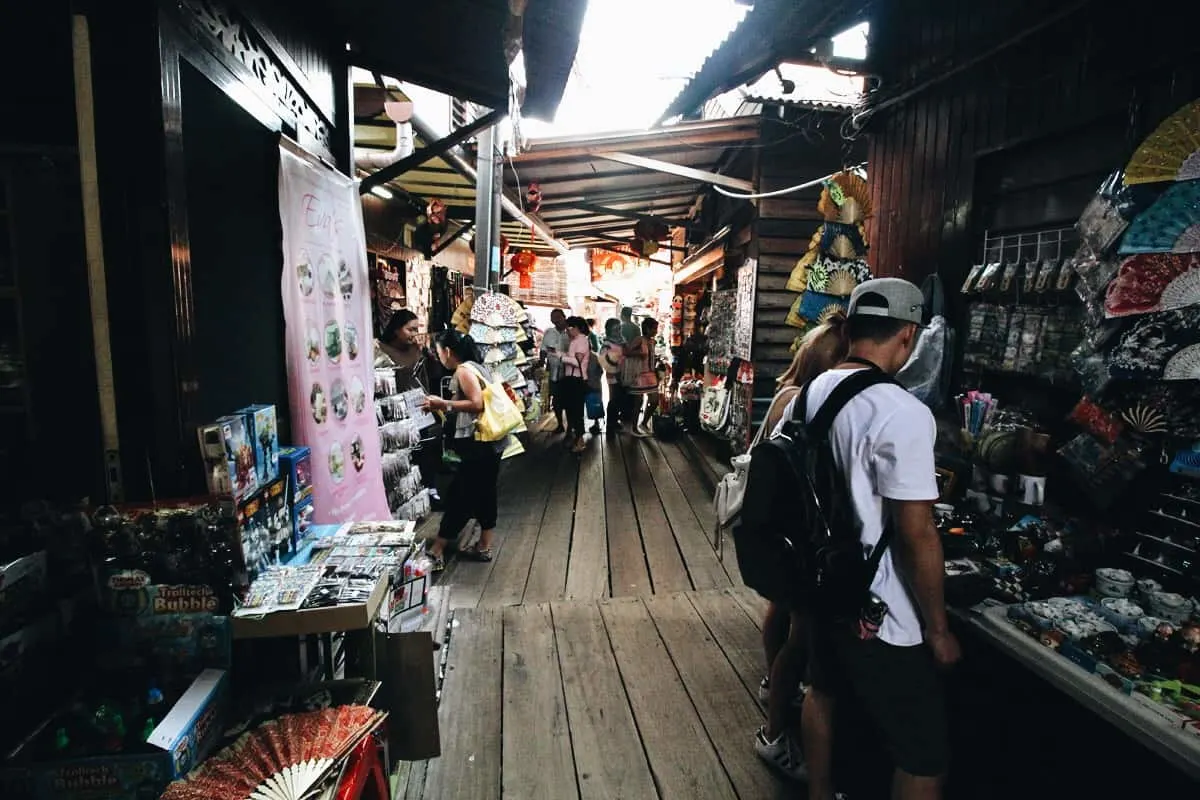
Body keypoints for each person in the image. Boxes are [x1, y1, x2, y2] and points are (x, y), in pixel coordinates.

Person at [776, 279, 958, 799]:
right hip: (881, 610)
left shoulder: (808, 394)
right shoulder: (902, 412)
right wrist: (940, 630)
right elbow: (915, 533)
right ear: (907, 335)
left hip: (820, 584)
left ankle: (819, 793)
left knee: (824, 691)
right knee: (924, 754)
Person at [753, 312, 850, 777]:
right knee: (801, 636)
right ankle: (775, 726)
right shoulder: (804, 402)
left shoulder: (786, 395)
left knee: (781, 614)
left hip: (778, 531)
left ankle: (774, 684)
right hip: (797, 535)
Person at [421, 330, 504, 570]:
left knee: (461, 494)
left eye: (438, 352)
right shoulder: (478, 367)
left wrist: (443, 403)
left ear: (448, 351)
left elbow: (476, 404)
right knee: (485, 492)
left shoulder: (463, 370)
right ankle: (484, 545)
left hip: (477, 443)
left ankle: (438, 549)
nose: (439, 357)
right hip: (490, 442)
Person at [378, 309, 444, 506]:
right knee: (403, 453)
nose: (414, 334)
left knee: (427, 448)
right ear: (397, 330)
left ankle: (429, 488)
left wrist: (427, 353)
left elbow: (436, 373)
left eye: (417, 329)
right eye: (410, 329)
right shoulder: (381, 349)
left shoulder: (417, 349)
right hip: (395, 410)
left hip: (419, 406)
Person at [622, 317, 659, 438]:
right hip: (639, 374)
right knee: (638, 402)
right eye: (654, 328)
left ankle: (643, 423)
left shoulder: (653, 342)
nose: (656, 331)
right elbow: (626, 352)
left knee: (654, 400)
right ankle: (634, 427)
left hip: (651, 374)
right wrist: (639, 354)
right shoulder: (639, 340)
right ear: (647, 328)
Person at [560, 316, 591, 454]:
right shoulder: (575, 341)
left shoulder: (582, 341)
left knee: (577, 411)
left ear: (577, 328)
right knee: (572, 410)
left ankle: (580, 441)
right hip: (571, 379)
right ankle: (577, 438)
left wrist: (560, 357)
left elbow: (576, 362)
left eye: (569, 328)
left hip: (576, 380)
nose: (567, 330)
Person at [540, 309, 569, 432]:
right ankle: (560, 424)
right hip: (553, 372)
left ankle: (571, 427)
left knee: (569, 400)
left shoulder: (571, 332)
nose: (556, 320)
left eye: (558, 317)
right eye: (553, 318)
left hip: (569, 372)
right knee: (556, 400)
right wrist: (541, 363)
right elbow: (543, 350)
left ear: (564, 317)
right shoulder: (549, 332)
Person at [601, 318, 626, 435]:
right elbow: (603, 359)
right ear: (609, 330)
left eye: (619, 328)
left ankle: (615, 421)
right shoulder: (607, 343)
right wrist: (613, 370)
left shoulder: (622, 341)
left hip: (623, 373)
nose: (618, 331)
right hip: (612, 373)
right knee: (614, 398)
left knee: (620, 398)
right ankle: (610, 425)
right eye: (615, 328)